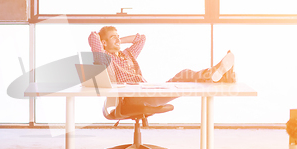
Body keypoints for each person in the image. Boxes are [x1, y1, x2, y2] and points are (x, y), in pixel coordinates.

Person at [88, 26, 235, 112]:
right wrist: (104, 41)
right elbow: (93, 38)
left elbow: (141, 39)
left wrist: (119, 39)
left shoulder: (128, 54)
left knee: (183, 74)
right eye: (113, 37)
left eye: (118, 36)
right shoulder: (105, 58)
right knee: (182, 78)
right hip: (130, 99)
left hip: (145, 90)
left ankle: (218, 74)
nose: (118, 39)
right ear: (104, 43)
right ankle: (219, 74)